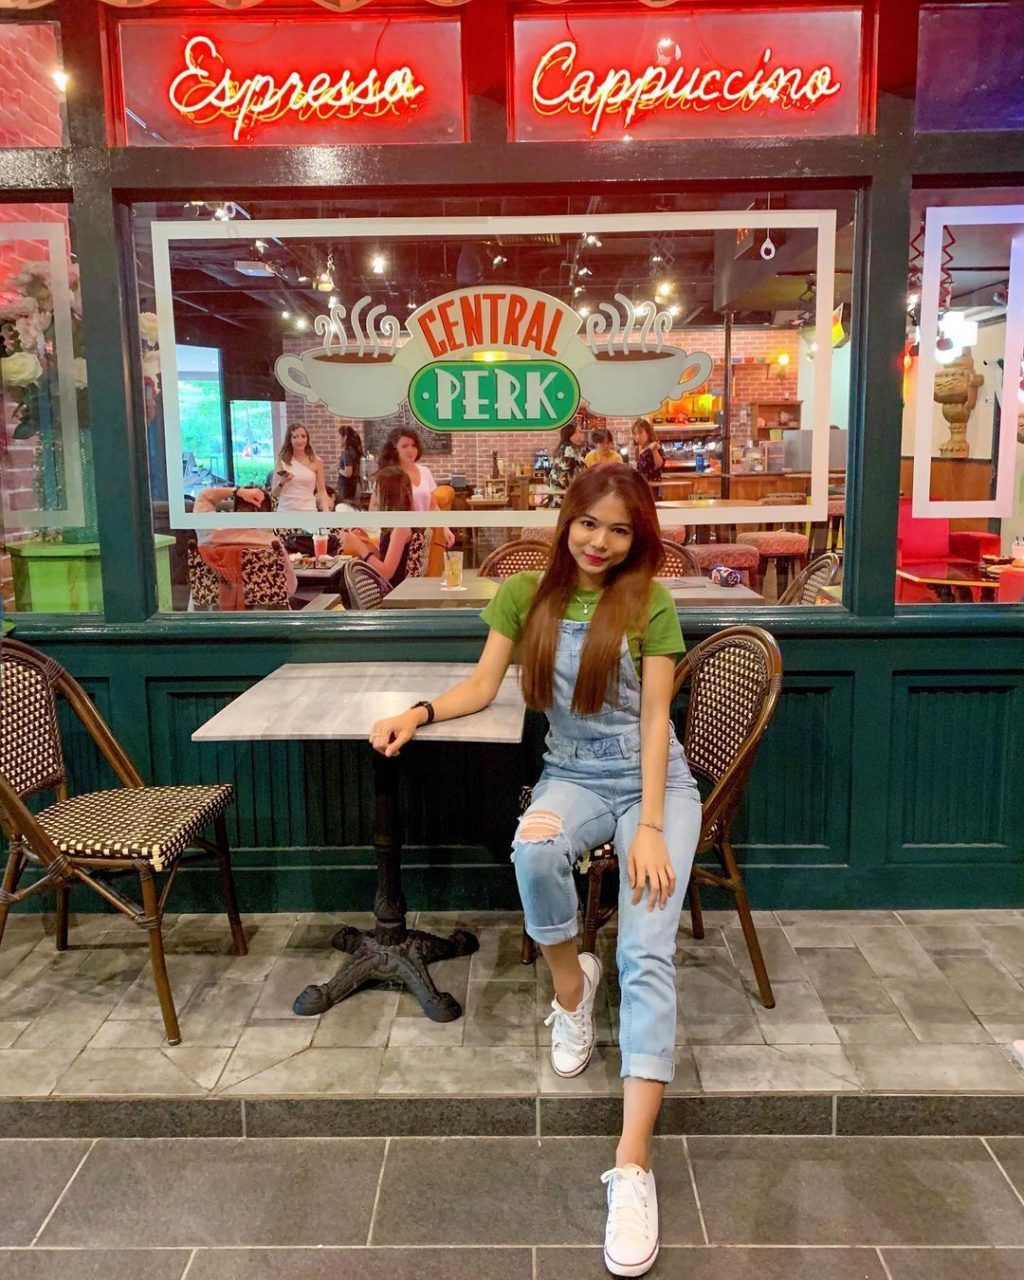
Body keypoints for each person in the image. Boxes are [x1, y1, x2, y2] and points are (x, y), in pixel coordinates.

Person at [368, 466, 701, 1277]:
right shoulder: (525, 595)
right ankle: (572, 993)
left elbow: (658, 716)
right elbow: (485, 686)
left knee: (646, 950)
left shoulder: (650, 601)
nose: (600, 542)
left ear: (637, 538)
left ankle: (632, 1167)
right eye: (589, 523)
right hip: (572, 777)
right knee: (535, 850)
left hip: (655, 784)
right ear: (566, 521)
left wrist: (649, 828)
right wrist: (417, 712)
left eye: (619, 529)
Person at [192, 483, 297, 608]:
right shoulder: (272, 544)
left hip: (213, 615)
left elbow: (203, 497)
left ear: (235, 511)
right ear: (267, 516)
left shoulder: (210, 535)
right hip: (264, 616)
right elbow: (290, 588)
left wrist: (238, 491)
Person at [377, 425, 454, 547]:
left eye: (413, 445)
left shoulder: (425, 472)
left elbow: (433, 505)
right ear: (394, 449)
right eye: (404, 446)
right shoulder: (390, 475)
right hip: (399, 537)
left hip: (422, 536)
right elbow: (379, 507)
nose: (410, 450)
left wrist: (445, 528)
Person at [360, 466, 428, 586]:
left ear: (387, 495)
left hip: (394, 591)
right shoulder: (396, 523)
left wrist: (360, 548)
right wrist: (367, 544)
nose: (373, 496)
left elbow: (386, 573)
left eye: (376, 491)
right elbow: (384, 558)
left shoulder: (400, 529)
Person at [271, 423, 329, 513]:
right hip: (286, 511)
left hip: (309, 510)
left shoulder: (317, 461)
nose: (300, 440)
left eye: (303, 436)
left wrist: (326, 511)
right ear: (289, 439)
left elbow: (322, 490)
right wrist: (282, 482)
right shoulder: (282, 459)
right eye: (295, 437)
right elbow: (274, 493)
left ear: (307, 438)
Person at [548, 419, 586, 502]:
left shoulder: (561, 449)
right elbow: (579, 476)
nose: (581, 436)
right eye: (578, 432)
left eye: (581, 432)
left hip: (555, 497)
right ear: (569, 433)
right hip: (565, 499)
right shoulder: (569, 451)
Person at [632, 418, 664, 487]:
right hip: (642, 486)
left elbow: (659, 464)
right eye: (634, 434)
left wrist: (654, 450)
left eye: (641, 433)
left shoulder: (654, 446)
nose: (637, 437)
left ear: (648, 433)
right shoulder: (639, 448)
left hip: (653, 487)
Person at [336, 426, 364, 505]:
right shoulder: (354, 452)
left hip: (348, 489)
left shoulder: (346, 452)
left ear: (345, 437)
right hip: (356, 485)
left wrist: (338, 469)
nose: (338, 440)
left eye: (339, 437)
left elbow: (348, 473)